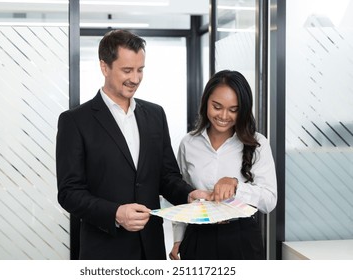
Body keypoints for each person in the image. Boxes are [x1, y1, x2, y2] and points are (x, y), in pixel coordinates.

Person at [56, 29, 208, 260]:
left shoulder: (155, 115)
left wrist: (189, 195)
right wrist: (115, 213)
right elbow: (69, 192)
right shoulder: (75, 121)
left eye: (140, 70)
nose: (135, 79)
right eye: (127, 70)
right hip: (104, 251)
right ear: (104, 67)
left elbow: (166, 177)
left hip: (152, 249)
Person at [169, 70, 278, 260]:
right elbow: (183, 195)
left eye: (233, 110)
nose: (224, 116)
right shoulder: (189, 143)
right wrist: (178, 238)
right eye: (217, 106)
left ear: (243, 110)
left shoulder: (257, 143)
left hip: (241, 238)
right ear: (206, 102)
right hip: (197, 237)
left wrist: (236, 186)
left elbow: (269, 201)